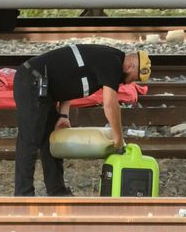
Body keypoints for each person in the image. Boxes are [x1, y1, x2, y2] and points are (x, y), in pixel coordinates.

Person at [13, 44, 150, 196]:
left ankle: (57, 191)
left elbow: (70, 78)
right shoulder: (112, 63)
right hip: (32, 79)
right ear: (130, 66)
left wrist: (63, 115)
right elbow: (111, 105)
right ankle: (23, 195)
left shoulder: (109, 59)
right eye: (134, 78)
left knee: (50, 140)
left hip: (43, 86)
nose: (129, 83)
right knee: (30, 138)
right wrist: (118, 138)